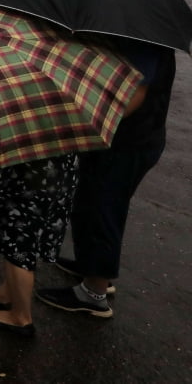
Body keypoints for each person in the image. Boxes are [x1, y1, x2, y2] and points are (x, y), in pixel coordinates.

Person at [35, 40, 177, 318]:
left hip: (128, 142)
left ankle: (94, 293)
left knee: (105, 208)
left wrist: (95, 123)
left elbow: (136, 94)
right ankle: (90, 264)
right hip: (114, 140)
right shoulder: (127, 27)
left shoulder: (143, 40)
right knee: (89, 200)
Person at [0, 153, 80, 337]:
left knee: (19, 243)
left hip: (35, 175)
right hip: (48, 169)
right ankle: (7, 293)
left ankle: (20, 317)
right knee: (13, 236)